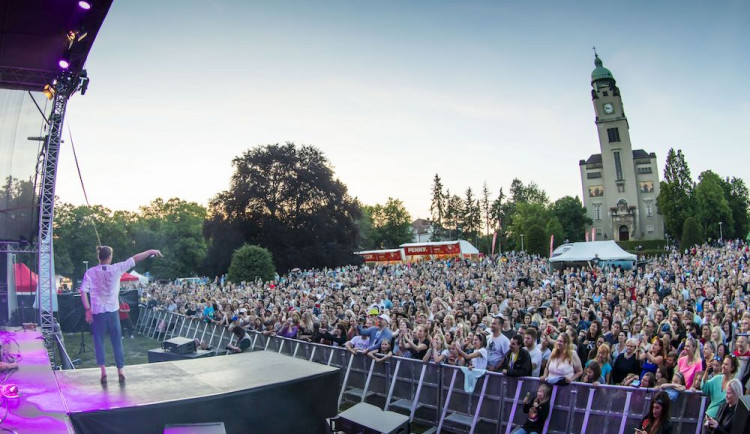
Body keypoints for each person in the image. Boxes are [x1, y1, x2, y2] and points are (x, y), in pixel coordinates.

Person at [80, 246, 162, 384]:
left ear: (98, 257)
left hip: (98, 312)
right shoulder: (116, 268)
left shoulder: (90, 272)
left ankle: (103, 371)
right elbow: (135, 259)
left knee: (98, 342)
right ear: (110, 257)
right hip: (112, 312)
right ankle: (120, 371)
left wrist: (88, 309)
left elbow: (83, 291)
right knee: (117, 342)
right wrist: (149, 252)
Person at [701, 355, 739, 420]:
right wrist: (706, 371)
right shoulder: (717, 378)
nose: (723, 366)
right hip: (709, 416)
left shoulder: (734, 384)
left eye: (726, 364)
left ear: (732, 368)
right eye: (723, 363)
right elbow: (704, 387)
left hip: (722, 419)